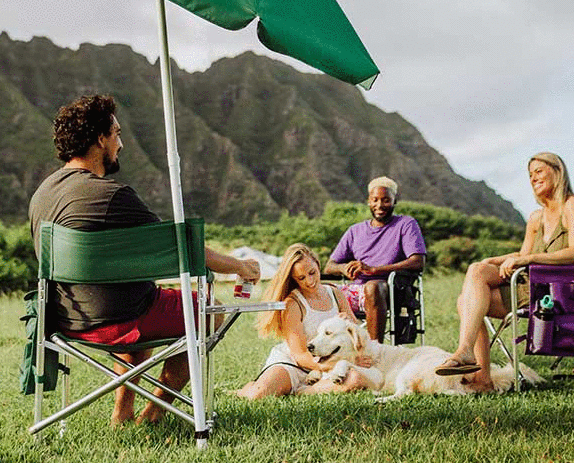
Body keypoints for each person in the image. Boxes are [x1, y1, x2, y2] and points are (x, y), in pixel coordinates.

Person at [28, 94, 260, 425]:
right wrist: (239, 266)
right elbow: (183, 248)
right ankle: (156, 410)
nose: (121, 144)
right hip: (117, 321)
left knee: (138, 298)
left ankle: (122, 411)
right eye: (117, 134)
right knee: (207, 310)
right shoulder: (112, 195)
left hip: (65, 320)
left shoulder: (42, 194)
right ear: (100, 138)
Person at [435, 152, 574, 392]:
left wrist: (529, 259)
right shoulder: (536, 218)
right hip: (528, 286)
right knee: (473, 280)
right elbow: (521, 255)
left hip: (555, 293)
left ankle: (469, 359)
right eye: (530, 175)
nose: (533, 178)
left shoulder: (573, 205)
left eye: (539, 171)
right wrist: (494, 260)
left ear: (557, 171)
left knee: (467, 299)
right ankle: (480, 375)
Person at [236, 243, 374, 399]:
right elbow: (300, 354)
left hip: (330, 364)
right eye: (301, 278)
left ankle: (306, 391)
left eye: (312, 273)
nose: (309, 281)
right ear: (294, 279)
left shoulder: (335, 293)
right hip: (295, 364)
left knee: (355, 380)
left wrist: (349, 322)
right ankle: (246, 389)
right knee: (258, 394)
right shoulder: (293, 303)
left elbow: (356, 333)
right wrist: (333, 366)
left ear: (317, 263)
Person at [324, 177, 426, 342]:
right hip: (356, 291)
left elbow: (417, 261)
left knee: (372, 287)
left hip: (392, 290)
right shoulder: (355, 231)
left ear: (394, 201)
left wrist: (374, 270)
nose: (380, 205)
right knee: (317, 290)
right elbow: (330, 266)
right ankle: (314, 354)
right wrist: (344, 268)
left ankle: (373, 350)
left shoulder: (406, 224)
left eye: (386, 200)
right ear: (368, 201)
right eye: (375, 200)